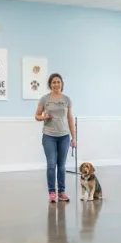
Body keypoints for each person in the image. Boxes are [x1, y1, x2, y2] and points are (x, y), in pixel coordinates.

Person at [35, 73, 76, 202]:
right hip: (49, 136)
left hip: (64, 136)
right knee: (51, 165)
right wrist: (44, 117)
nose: (56, 84)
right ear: (50, 84)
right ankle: (52, 192)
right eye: (54, 82)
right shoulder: (44, 99)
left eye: (58, 82)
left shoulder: (67, 99)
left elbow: (70, 118)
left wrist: (73, 138)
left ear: (61, 84)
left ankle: (62, 192)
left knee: (62, 166)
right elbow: (37, 116)